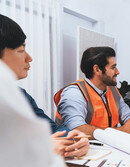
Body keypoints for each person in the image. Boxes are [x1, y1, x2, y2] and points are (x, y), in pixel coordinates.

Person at [0, 14, 89, 158]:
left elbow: (51, 129)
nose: (29, 58)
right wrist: (40, 148)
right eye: (21, 51)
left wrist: (76, 139)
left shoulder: (21, 95)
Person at [55, 47, 130, 138]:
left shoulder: (113, 91)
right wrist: (121, 131)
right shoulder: (74, 93)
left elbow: (127, 116)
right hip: (80, 149)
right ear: (97, 69)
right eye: (113, 67)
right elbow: (76, 129)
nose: (117, 72)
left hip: (108, 146)